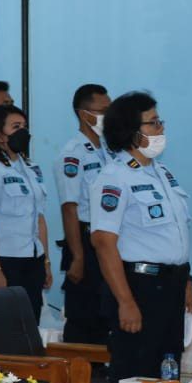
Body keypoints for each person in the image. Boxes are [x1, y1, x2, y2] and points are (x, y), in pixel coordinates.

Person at [90, 92, 192, 383]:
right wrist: (125, 302)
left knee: (167, 374)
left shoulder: (162, 173)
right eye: (152, 123)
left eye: (159, 121)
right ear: (130, 131)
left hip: (171, 288)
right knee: (137, 376)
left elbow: (176, 232)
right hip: (139, 288)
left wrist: (186, 282)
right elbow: (104, 243)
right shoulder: (115, 177)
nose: (160, 129)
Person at [0, 105, 52, 323]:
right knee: (3, 328)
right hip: (4, 261)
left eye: (24, 126)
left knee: (29, 324)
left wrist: (46, 262)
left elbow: (40, 219)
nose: (23, 132)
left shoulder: (32, 168)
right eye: (16, 127)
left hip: (32, 260)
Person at [56, 83, 114, 344]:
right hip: (85, 239)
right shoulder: (72, 154)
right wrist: (77, 256)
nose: (109, 116)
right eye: (103, 110)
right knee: (84, 312)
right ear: (84, 113)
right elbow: (70, 207)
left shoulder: (111, 151)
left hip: (110, 238)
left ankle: (103, 370)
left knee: (107, 309)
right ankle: (80, 373)